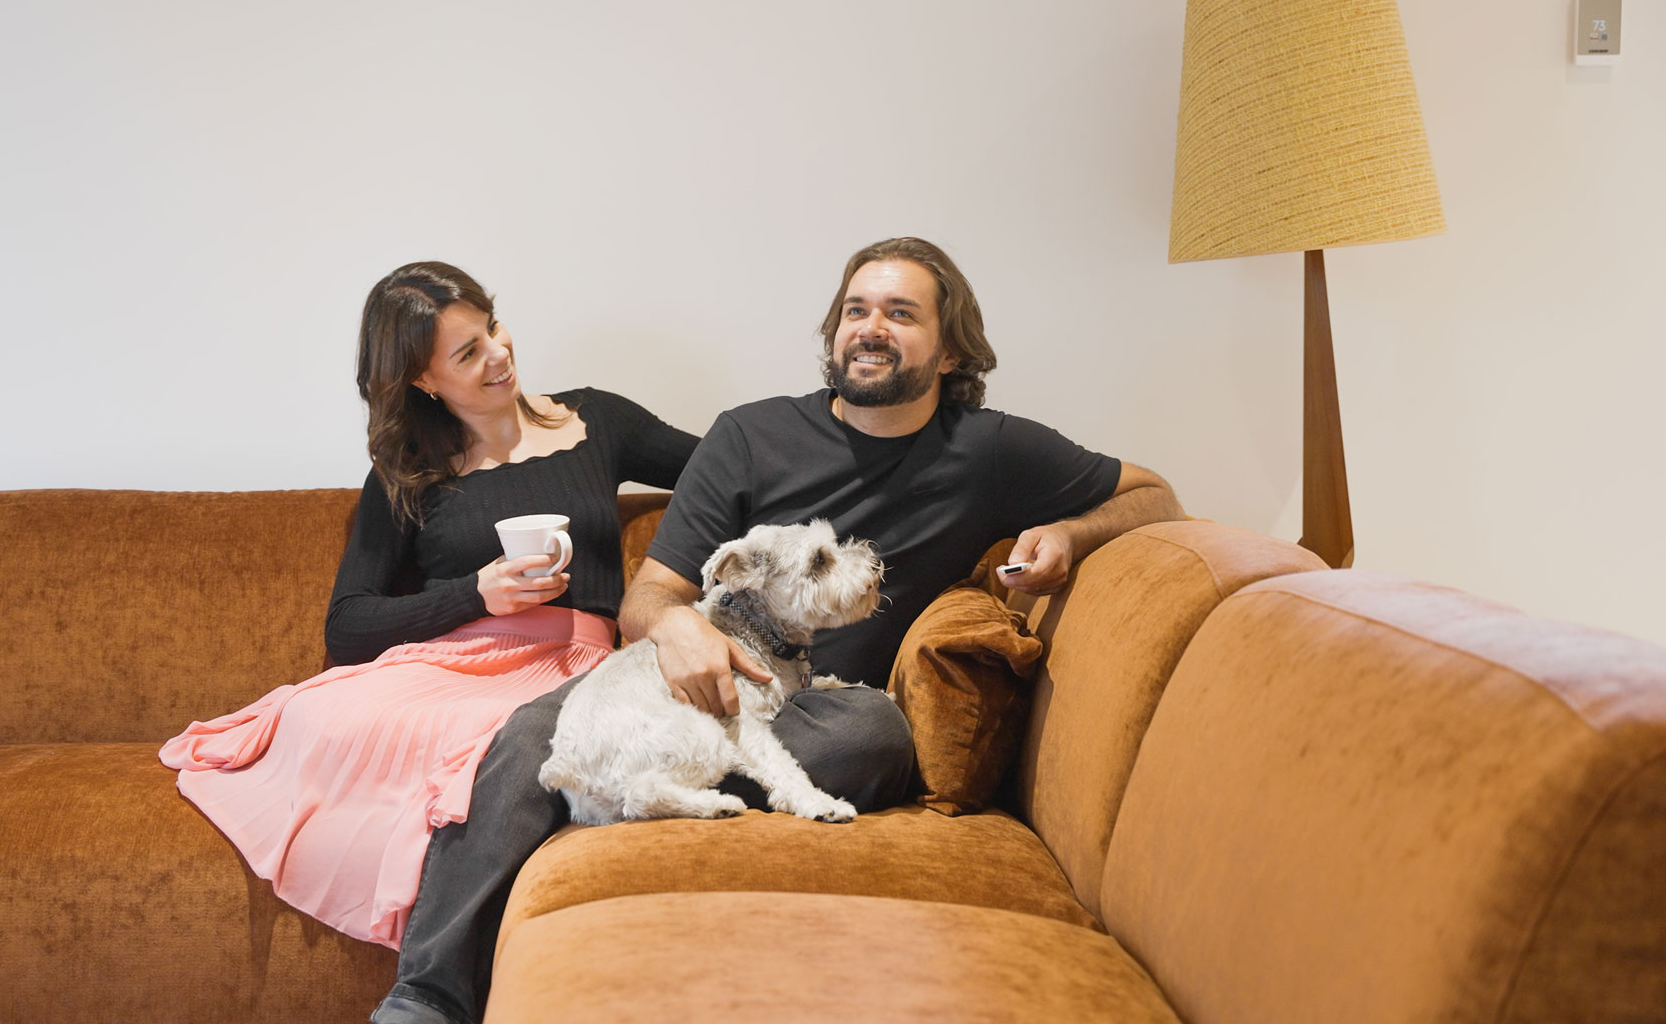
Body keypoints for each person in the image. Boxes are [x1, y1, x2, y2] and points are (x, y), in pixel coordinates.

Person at [369, 237, 1183, 1024]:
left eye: (901, 313)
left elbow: (1154, 495)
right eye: (855, 309)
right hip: (679, 695)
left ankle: (639, 794)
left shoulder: (992, 451)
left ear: (951, 353)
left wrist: (1071, 535)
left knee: (877, 735)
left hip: (813, 707)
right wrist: (679, 630)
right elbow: (649, 599)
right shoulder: (749, 436)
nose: (870, 327)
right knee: (526, 735)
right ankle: (426, 999)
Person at [158, 261, 698, 951]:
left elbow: (724, 473)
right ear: (423, 379)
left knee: (501, 740)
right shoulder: (406, 474)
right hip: (453, 665)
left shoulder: (599, 421)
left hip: (571, 664)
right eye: (468, 353)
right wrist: (476, 593)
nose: (499, 355)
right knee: (321, 714)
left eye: (493, 329)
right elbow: (348, 623)